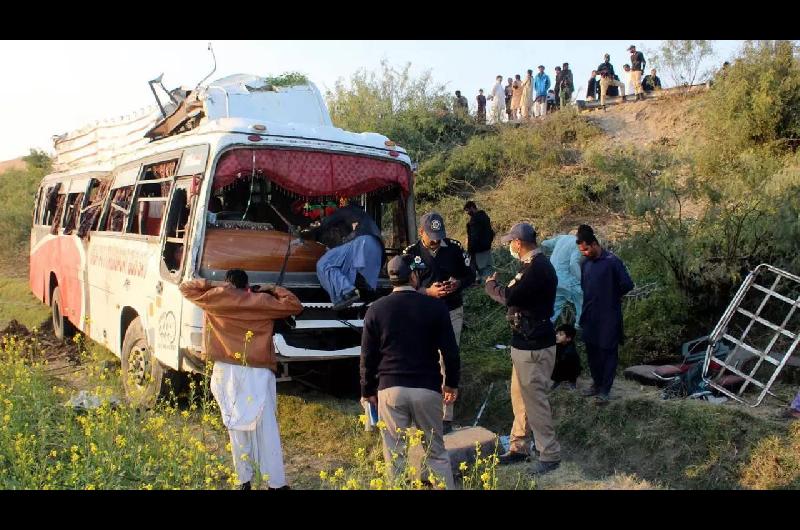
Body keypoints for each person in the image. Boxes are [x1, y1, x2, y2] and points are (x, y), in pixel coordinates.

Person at [179, 269, 303, 490]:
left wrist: (216, 284)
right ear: (248, 285)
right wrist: (272, 288)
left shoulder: (215, 298)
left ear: (228, 283)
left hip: (225, 370)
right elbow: (294, 304)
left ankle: (243, 481)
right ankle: (274, 483)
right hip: (258, 370)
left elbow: (186, 287)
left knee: (235, 426)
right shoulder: (261, 300)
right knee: (266, 428)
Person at [360, 254, 460, 489]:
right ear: (414, 276)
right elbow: (451, 352)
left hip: (390, 389)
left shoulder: (376, 309)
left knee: (395, 457)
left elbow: (367, 357)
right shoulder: (435, 307)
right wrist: (451, 384)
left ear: (390, 278)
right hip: (427, 389)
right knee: (436, 453)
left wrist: (367, 390)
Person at [485, 222, 561, 474]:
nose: (509, 247)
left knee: (535, 401)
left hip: (533, 344)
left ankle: (549, 454)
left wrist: (491, 287)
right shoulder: (534, 266)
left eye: (511, 242)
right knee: (520, 397)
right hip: (526, 341)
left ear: (518, 243)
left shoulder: (536, 269)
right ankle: (519, 446)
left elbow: (510, 296)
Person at [404, 212, 475, 433]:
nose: (436, 240)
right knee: (422, 358)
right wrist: (427, 291)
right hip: (422, 313)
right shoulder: (411, 254)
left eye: (439, 235)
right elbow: (400, 285)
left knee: (448, 358)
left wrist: (458, 283)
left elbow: (470, 274)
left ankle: (446, 416)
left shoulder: (454, 248)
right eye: (431, 235)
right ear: (421, 232)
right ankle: (422, 410)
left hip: (451, 310)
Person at [575, 224, 634, 404]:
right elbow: (585, 288)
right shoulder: (585, 264)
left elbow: (627, 284)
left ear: (594, 244)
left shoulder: (612, 261)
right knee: (592, 351)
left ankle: (605, 390)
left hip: (609, 316)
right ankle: (596, 384)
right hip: (590, 315)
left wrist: (611, 295)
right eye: (581, 250)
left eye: (586, 249)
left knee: (608, 353)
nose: (584, 253)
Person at [302, 202, 384, 310]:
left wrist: (307, 233)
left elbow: (326, 223)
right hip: (378, 250)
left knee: (324, 263)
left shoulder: (346, 210)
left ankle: (348, 291)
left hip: (363, 243)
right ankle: (345, 296)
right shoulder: (362, 217)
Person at [540, 233, 583, 326]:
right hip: (566, 280)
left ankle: (544, 329)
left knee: (554, 308)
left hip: (552, 279)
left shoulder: (562, 238)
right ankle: (579, 328)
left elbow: (544, 243)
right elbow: (573, 264)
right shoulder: (578, 244)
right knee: (582, 300)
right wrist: (581, 280)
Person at [463, 200, 495, 282]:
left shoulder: (475, 220)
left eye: (467, 210)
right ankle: (490, 285)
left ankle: (484, 287)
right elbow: (491, 232)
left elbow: (474, 237)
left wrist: (470, 250)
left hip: (478, 250)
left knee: (481, 271)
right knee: (488, 269)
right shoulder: (485, 216)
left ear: (472, 208)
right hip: (487, 247)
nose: (467, 213)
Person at [551, 324, 581, 390]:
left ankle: (572, 383)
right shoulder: (558, 344)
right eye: (557, 334)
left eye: (560, 334)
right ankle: (557, 381)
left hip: (571, 367)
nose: (557, 336)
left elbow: (575, 365)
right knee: (556, 365)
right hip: (560, 364)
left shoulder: (570, 351)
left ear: (568, 338)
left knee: (570, 368)